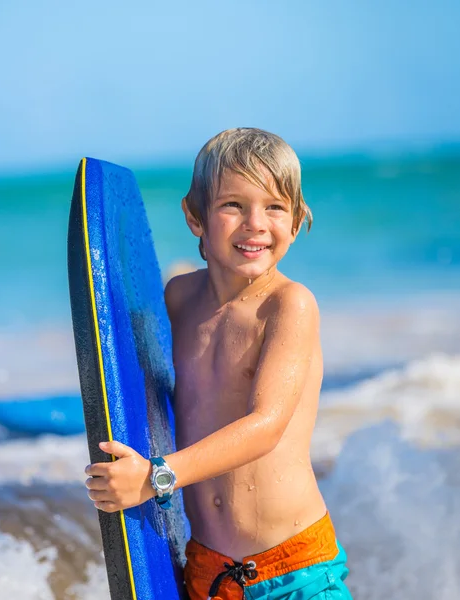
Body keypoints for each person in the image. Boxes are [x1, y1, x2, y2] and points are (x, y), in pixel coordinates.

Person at [84, 128, 352, 599]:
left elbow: (265, 425)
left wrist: (152, 478)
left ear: (295, 221)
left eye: (274, 206)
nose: (255, 224)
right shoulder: (179, 299)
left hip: (294, 570)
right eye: (233, 205)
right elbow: (141, 390)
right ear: (195, 216)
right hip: (208, 572)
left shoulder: (289, 306)